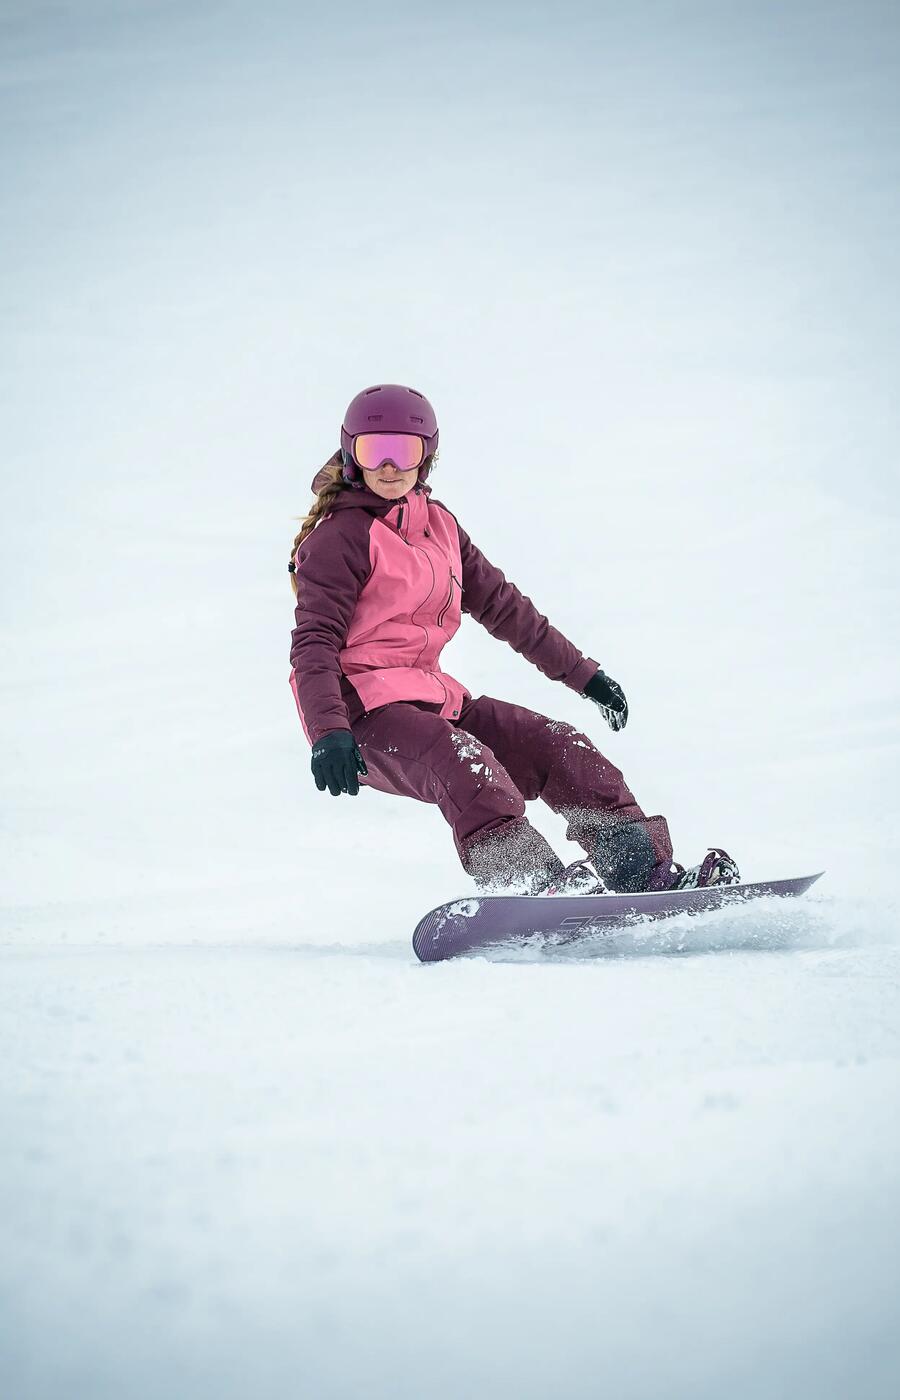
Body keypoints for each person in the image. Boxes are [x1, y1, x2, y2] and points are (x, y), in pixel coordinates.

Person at [288, 383, 739, 896]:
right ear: (352, 455)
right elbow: (314, 643)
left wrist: (586, 677)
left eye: (404, 450)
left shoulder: (440, 527)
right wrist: (329, 733)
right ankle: (530, 882)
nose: (389, 466)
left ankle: (643, 872)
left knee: (554, 745)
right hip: (360, 719)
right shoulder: (339, 538)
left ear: (427, 456)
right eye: (374, 450)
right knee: (459, 759)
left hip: (434, 701)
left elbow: (505, 608)